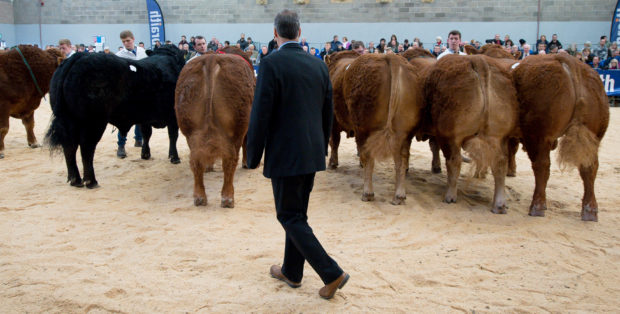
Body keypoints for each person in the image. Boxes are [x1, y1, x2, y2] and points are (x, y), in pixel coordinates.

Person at [246, 9, 349, 300]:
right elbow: (327, 112)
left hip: (285, 155)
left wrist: (252, 156)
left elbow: (260, 115)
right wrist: (323, 147)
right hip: (311, 152)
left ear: (275, 33)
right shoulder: (318, 65)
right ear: (300, 34)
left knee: (289, 216)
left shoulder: (270, 64)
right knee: (298, 215)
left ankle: (331, 273)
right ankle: (292, 271)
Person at [115, 30, 147, 158]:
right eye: (123, 42)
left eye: (128, 40)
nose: (126, 43)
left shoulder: (142, 51)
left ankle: (139, 139)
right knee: (124, 119)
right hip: (127, 90)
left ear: (133, 39)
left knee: (141, 117)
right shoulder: (119, 55)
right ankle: (121, 145)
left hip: (141, 88)